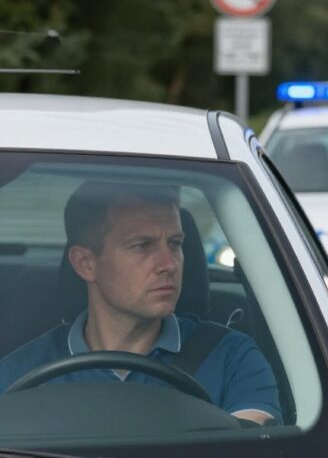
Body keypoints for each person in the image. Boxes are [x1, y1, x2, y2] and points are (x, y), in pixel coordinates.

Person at [0, 182, 282, 426]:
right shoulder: (20, 375)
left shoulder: (231, 357)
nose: (169, 264)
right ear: (85, 264)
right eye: (142, 246)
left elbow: (255, 446)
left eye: (175, 244)